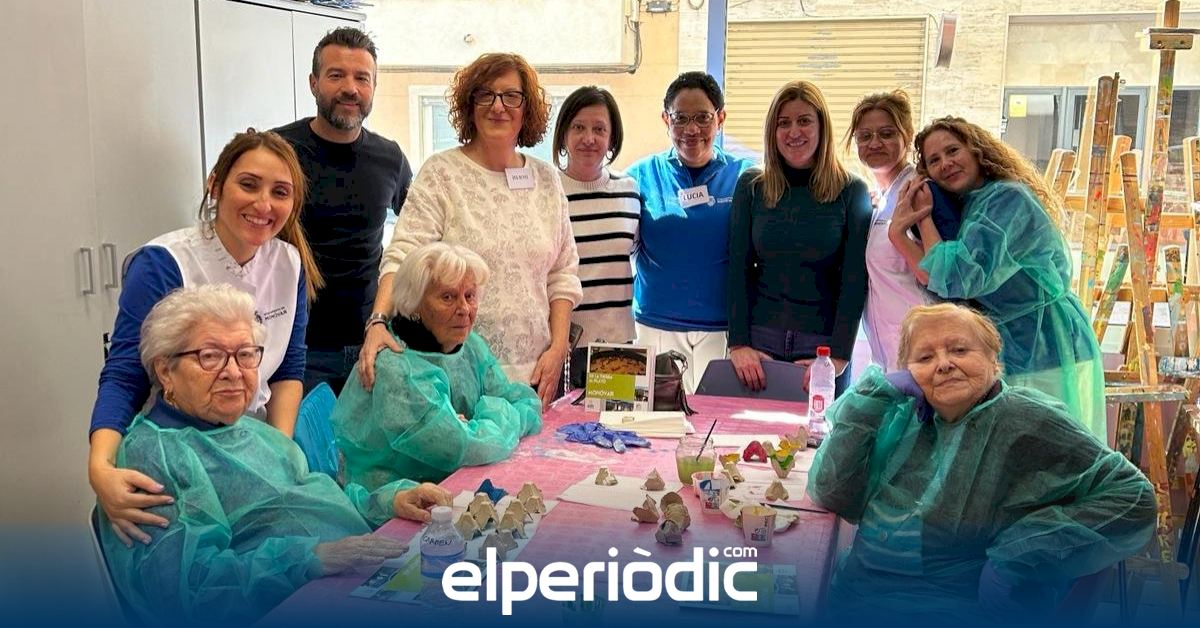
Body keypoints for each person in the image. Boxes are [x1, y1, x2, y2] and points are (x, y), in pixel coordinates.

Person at [99, 284, 450, 623]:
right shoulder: (154, 457)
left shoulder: (247, 428)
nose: (233, 373)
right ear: (165, 370)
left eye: (245, 355)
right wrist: (309, 559)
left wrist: (387, 502)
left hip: (353, 580)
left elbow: (317, 498)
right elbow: (188, 591)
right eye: (210, 357)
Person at [807, 303, 1154, 620]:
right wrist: (872, 397)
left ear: (993, 359)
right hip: (856, 598)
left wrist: (1017, 554)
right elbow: (833, 494)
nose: (943, 364)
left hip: (951, 610)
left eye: (960, 350)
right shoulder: (902, 415)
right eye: (924, 357)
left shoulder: (1025, 419)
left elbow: (1133, 497)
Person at [89, 129, 322, 547]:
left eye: (280, 192)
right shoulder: (165, 263)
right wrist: (101, 466)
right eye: (248, 185)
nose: (263, 204)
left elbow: (289, 367)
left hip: (249, 443)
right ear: (215, 185)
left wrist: (276, 452)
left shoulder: (288, 261)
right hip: (180, 452)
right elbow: (124, 374)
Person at [360, 52, 582, 407]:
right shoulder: (441, 173)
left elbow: (563, 274)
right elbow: (402, 257)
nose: (498, 106)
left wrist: (558, 348)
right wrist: (378, 321)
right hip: (456, 374)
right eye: (486, 95)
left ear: (527, 108)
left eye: (511, 96)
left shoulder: (546, 180)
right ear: (469, 104)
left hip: (536, 376)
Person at [890, 116, 1105, 440]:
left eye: (952, 150)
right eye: (934, 160)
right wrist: (901, 231)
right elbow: (939, 282)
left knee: (1050, 446)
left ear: (976, 150)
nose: (946, 163)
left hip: (1046, 340)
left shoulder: (1008, 199)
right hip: (1012, 341)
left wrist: (919, 221)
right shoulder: (972, 206)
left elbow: (956, 275)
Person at [273, 27, 413, 395]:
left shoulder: (390, 157)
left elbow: (419, 233)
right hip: (296, 347)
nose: (350, 88)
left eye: (362, 78)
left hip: (371, 341)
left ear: (373, 87)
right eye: (336, 75)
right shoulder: (278, 150)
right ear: (313, 83)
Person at [334, 243, 542, 485]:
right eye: (448, 297)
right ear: (414, 304)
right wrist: (489, 421)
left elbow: (524, 401)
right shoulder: (398, 369)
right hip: (394, 494)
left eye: (470, 296)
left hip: (451, 484)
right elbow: (465, 447)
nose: (464, 309)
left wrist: (474, 424)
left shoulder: (468, 345)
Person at [727, 80, 871, 394]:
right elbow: (737, 268)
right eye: (784, 123)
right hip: (759, 345)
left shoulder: (852, 191)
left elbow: (854, 280)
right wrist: (738, 343)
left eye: (804, 121)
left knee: (820, 428)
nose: (794, 132)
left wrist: (838, 357)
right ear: (772, 131)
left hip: (822, 349)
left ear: (822, 127)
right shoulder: (752, 186)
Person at [628, 71, 754, 391]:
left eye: (702, 117)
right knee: (654, 417)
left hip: (723, 331)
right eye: (680, 118)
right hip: (655, 326)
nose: (691, 129)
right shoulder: (639, 176)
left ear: (720, 118)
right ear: (665, 120)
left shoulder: (746, 178)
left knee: (717, 419)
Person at [552, 86, 642, 386]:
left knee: (619, 417)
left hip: (618, 347)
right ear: (563, 134)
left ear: (612, 138)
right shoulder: (546, 191)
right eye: (578, 127)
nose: (589, 138)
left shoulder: (629, 190)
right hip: (558, 347)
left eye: (599, 129)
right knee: (555, 419)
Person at [847, 90, 932, 371]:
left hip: (923, 352)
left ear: (907, 135)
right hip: (889, 357)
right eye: (864, 136)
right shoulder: (880, 199)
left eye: (886, 134)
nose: (874, 143)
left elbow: (937, 275)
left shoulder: (918, 192)